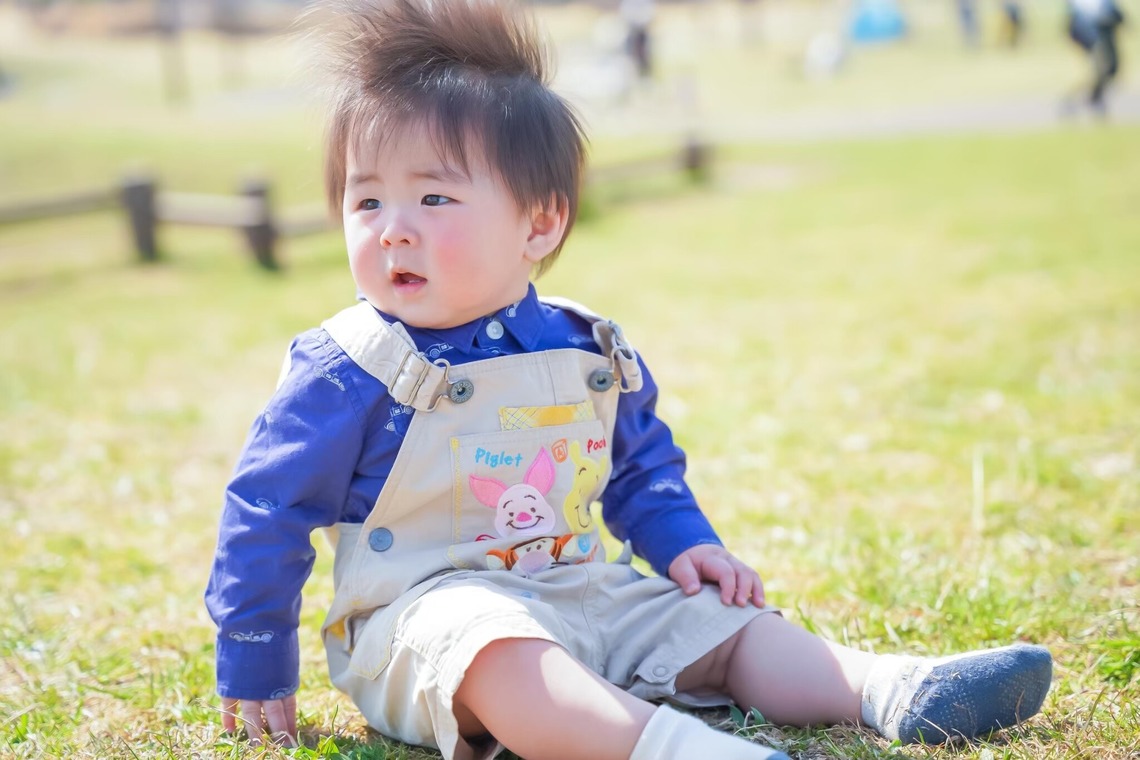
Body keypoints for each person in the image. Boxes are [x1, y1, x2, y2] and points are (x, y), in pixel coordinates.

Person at [204, 0, 1054, 758]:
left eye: (434, 200)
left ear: (540, 221)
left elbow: (642, 470)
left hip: (580, 586)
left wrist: (686, 543)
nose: (393, 231)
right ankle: (670, 748)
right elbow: (266, 506)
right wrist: (254, 647)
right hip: (425, 619)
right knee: (501, 653)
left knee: (723, 628)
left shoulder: (587, 349)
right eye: (366, 203)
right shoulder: (351, 365)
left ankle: (885, 687)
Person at [1066, 0, 1126, 116]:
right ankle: (1085, 100)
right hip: (1093, 34)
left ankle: (1092, 97)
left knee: (1112, 69)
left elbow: (1111, 8)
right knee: (1102, 69)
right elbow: (1079, 17)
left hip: (1106, 31)